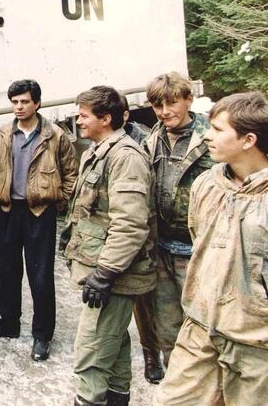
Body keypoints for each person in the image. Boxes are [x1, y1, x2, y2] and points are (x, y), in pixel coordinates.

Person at [157, 91, 268, 405]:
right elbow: (200, 241)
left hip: (255, 344)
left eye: (219, 130)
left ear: (248, 140)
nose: (207, 136)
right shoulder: (206, 184)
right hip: (200, 330)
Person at [62, 86, 156, 406]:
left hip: (113, 275)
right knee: (113, 349)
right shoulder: (98, 150)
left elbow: (129, 224)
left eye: (83, 115)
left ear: (106, 118)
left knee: (91, 354)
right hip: (104, 270)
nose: (78, 120)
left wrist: (105, 273)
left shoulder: (125, 157)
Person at [0, 79, 77, 363]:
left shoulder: (55, 135)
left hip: (39, 213)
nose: (19, 107)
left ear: (37, 103)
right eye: (15, 102)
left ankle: (42, 335)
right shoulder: (3, 134)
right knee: (7, 271)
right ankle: (9, 323)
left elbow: (71, 174)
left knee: (41, 276)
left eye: (24, 102)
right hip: (8, 211)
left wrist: (58, 201)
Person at [142, 72, 213, 367]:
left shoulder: (210, 139)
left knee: (204, 330)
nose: (165, 112)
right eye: (158, 106)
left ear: (189, 100)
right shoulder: (152, 139)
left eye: (172, 103)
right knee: (169, 330)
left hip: (197, 252)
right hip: (162, 251)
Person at [122, 97, 164, 384]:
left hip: (163, 227)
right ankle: (151, 354)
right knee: (142, 299)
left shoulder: (145, 140)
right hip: (141, 233)